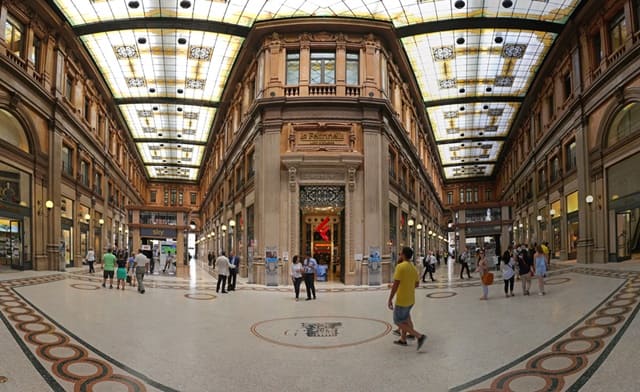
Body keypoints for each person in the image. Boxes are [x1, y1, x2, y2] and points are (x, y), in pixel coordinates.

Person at [387, 246, 427, 351]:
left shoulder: (400, 267)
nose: (400, 254)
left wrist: (390, 299)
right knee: (406, 319)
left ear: (403, 254)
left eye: (400, 253)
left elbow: (396, 285)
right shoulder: (413, 267)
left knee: (398, 321)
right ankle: (403, 339)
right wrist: (408, 286)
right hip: (411, 299)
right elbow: (417, 284)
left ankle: (419, 336)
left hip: (402, 300)